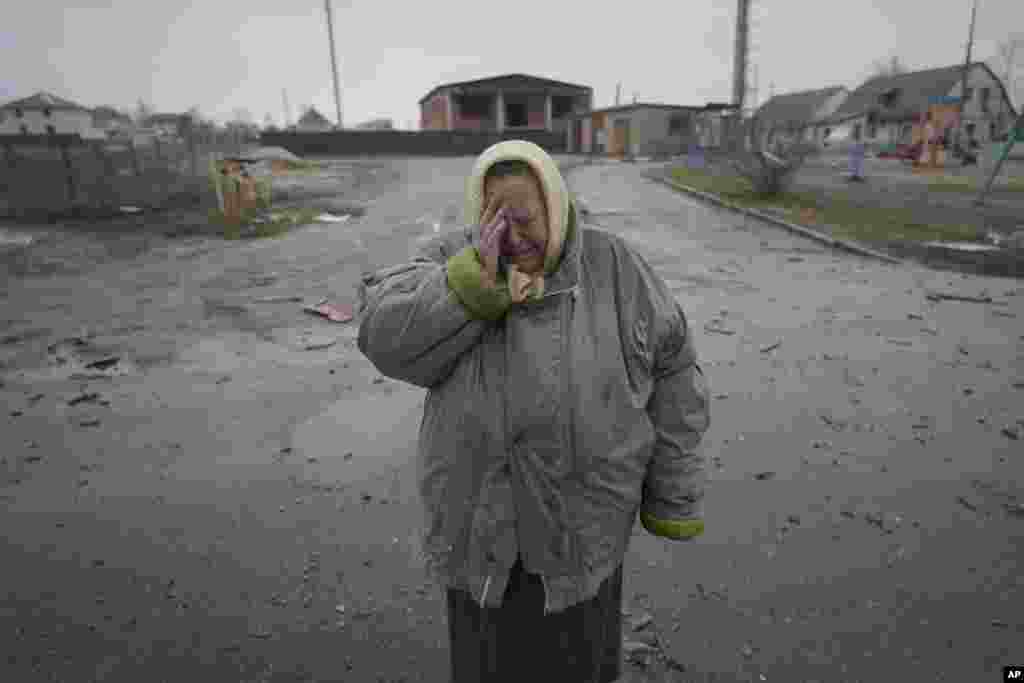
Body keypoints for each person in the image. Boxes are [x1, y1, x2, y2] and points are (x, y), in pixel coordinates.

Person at [357, 140, 710, 683]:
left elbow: (675, 369)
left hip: (583, 535)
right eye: (495, 219)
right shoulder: (453, 260)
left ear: (557, 207)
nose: (512, 237)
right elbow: (382, 334)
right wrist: (472, 283)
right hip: (479, 532)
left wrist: (673, 489)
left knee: (581, 664)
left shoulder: (613, 266)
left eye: (524, 219)